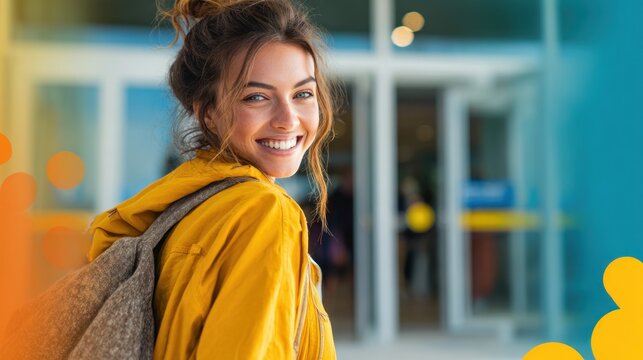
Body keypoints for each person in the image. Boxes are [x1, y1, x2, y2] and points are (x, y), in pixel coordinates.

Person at [87, 0, 338, 358]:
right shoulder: (263, 213)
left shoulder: (179, 208)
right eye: (257, 97)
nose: (288, 118)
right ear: (209, 115)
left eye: (303, 94)